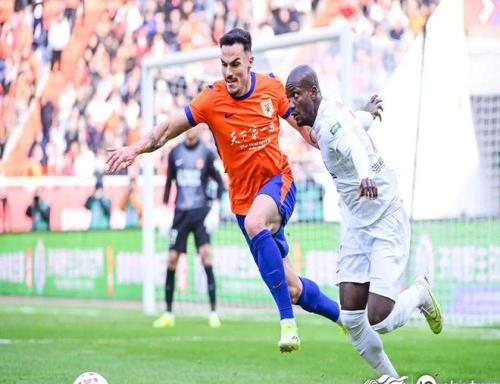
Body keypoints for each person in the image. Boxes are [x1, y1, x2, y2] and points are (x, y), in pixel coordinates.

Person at [107, 28, 343, 353]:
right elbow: (167, 129)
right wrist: (135, 149)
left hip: (278, 182)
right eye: (224, 64)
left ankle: (287, 324)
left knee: (257, 223)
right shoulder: (211, 99)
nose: (229, 72)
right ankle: (345, 318)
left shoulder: (272, 88)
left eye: (235, 64)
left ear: (250, 61)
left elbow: (306, 130)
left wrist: (338, 144)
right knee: (291, 288)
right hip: (243, 202)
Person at [285, 64, 443, 384]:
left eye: (296, 95)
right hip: (357, 223)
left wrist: (365, 176)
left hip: (384, 217)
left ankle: (419, 294)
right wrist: (368, 114)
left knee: (379, 318)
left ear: (313, 92)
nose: (292, 104)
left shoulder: (330, 125)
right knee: (352, 318)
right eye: (288, 98)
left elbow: (353, 147)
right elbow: (354, 124)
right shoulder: (331, 115)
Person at [153, 127, 224, 329]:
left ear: (199, 129)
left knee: (206, 256)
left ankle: (213, 312)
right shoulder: (175, 153)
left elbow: (220, 183)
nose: (190, 131)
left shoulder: (207, 153)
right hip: (181, 214)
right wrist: (165, 210)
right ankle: (168, 313)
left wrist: (215, 207)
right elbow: (169, 183)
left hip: (200, 213)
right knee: (172, 259)